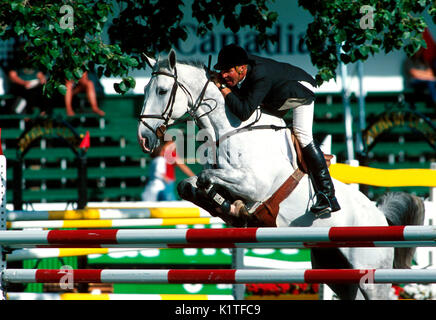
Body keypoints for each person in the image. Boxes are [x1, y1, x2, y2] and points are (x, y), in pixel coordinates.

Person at [211, 44, 340, 216]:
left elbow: (242, 112)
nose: (224, 75)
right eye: (222, 71)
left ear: (242, 68)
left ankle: (327, 196)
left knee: (302, 135)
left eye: (228, 71)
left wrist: (222, 87)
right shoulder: (245, 71)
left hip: (300, 89)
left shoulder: (259, 75)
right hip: (275, 94)